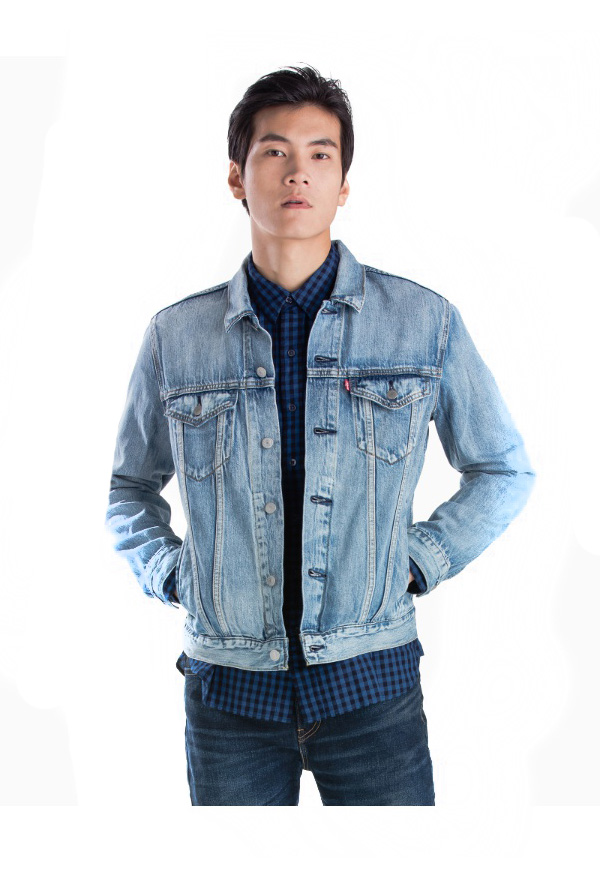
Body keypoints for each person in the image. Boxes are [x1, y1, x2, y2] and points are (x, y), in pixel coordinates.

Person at [105, 64, 536, 805]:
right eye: (274, 151)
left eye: (319, 154)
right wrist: (173, 574)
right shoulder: (177, 337)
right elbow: (129, 487)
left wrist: (421, 558)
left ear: (343, 185)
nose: (296, 172)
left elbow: (503, 468)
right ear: (237, 178)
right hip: (230, 697)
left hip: (373, 691)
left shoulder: (422, 322)